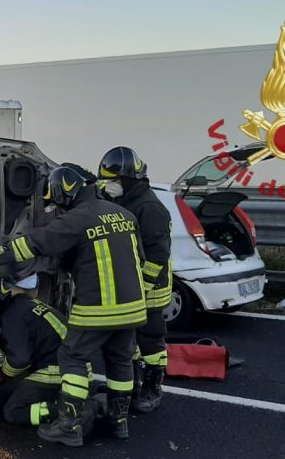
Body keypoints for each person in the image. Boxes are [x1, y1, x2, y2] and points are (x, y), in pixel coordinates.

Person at [0, 166, 146, 448]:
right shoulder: (124, 215)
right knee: (120, 361)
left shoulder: (78, 219)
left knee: (72, 357)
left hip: (98, 308)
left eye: (57, 202)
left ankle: (69, 424)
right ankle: (119, 422)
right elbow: (138, 257)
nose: (58, 209)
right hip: (134, 308)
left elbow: (29, 245)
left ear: (66, 191)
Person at [99, 146, 172, 413]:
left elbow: (158, 255)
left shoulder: (150, 207)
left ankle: (153, 386)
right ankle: (129, 386)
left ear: (129, 179)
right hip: (132, 286)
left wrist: (142, 286)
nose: (110, 185)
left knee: (150, 341)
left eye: (114, 181)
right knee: (127, 343)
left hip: (150, 288)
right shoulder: (126, 201)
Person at [0, 276, 67, 426]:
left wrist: (2, 375)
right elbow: (8, 341)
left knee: (12, 412)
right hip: (75, 368)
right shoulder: (25, 305)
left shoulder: (11, 316)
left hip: (57, 370)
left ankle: (64, 412)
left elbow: (20, 360)